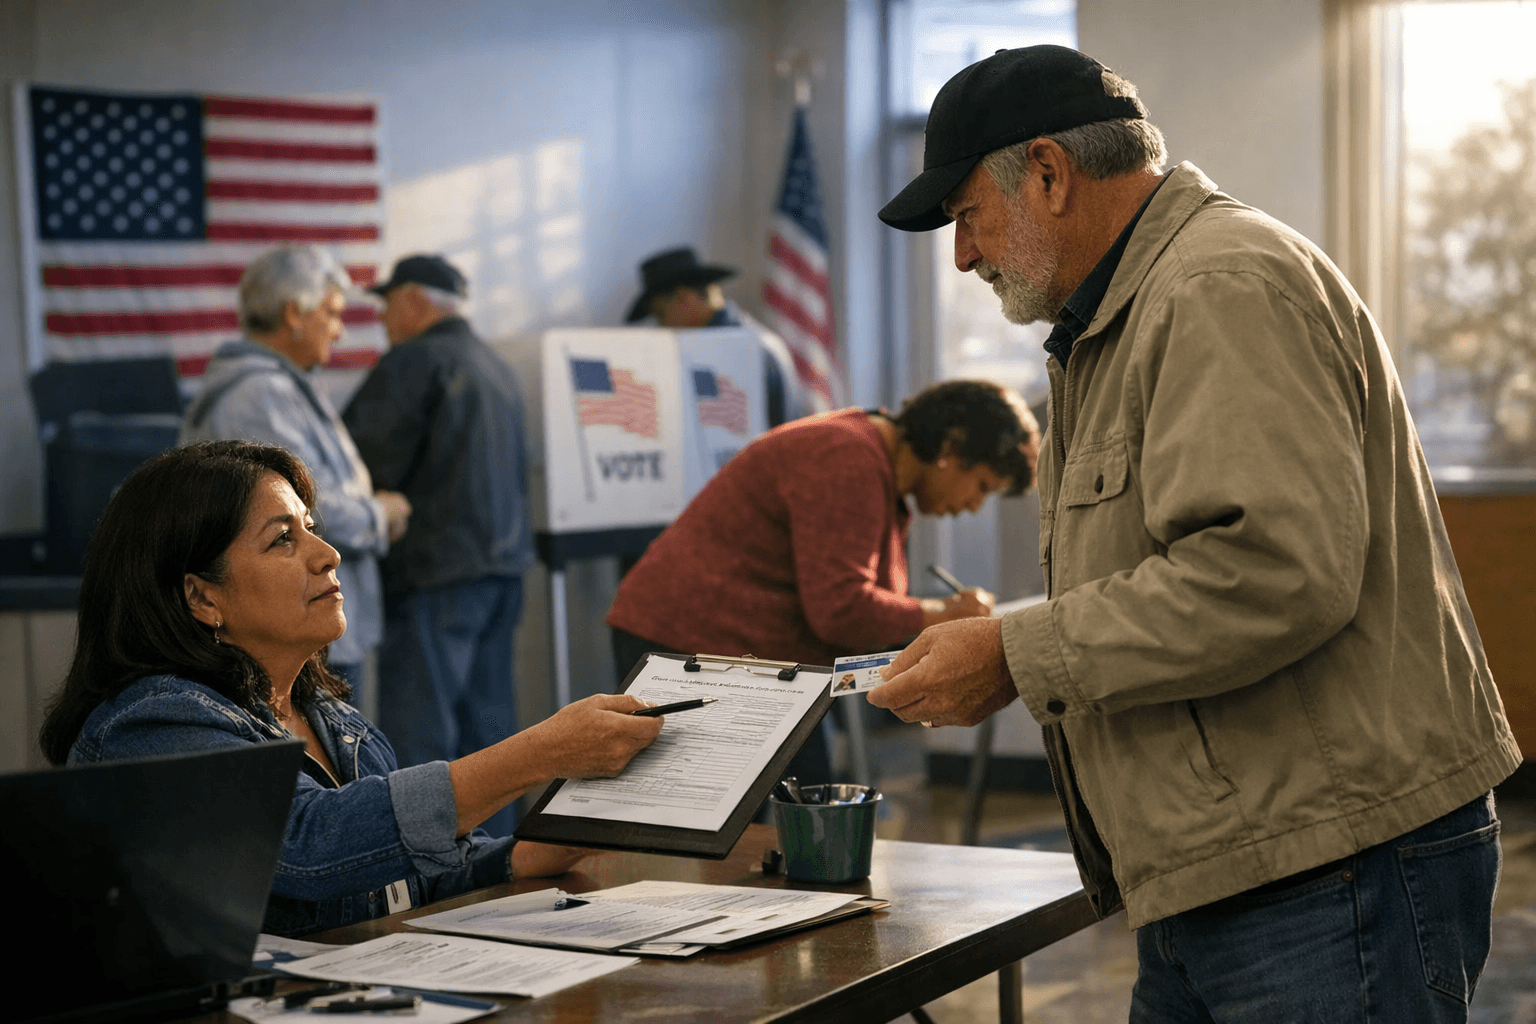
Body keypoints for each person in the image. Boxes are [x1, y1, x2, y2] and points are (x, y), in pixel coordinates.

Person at [868, 45, 1521, 1020]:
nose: (961, 254)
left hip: (1323, 869)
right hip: (1229, 867)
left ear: (1048, 172)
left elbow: (1270, 573)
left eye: (967, 215)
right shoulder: (1120, 322)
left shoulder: (1218, 286)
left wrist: (1013, 650)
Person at [38, 441, 662, 938]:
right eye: (283, 539)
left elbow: (402, 879)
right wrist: (544, 752)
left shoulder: (333, 720)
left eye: (312, 528)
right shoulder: (153, 722)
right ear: (202, 596)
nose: (329, 554)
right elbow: (310, 846)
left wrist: (563, 838)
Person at [607, 379, 1039, 781]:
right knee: (759, 812)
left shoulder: (863, 451)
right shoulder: (846, 458)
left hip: (740, 651)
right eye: (981, 485)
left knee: (794, 807)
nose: (972, 506)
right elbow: (841, 610)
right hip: (691, 642)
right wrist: (941, 613)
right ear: (953, 447)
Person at [341, 255, 536, 836]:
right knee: (494, 738)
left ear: (416, 302)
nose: (382, 321)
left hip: (435, 578)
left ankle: (422, 888)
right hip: (501, 576)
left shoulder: (416, 360)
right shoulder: (496, 367)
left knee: (421, 740)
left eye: (387, 305)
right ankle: (502, 866)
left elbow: (358, 465)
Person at [181, 243, 409, 688]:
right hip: (292, 636)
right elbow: (303, 512)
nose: (340, 331)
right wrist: (380, 515)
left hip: (309, 629)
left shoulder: (280, 387)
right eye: (331, 313)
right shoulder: (259, 396)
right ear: (293, 315)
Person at [626, 246, 810, 427]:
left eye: (661, 314)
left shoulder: (725, 349)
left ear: (683, 297)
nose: (663, 327)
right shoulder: (750, 335)